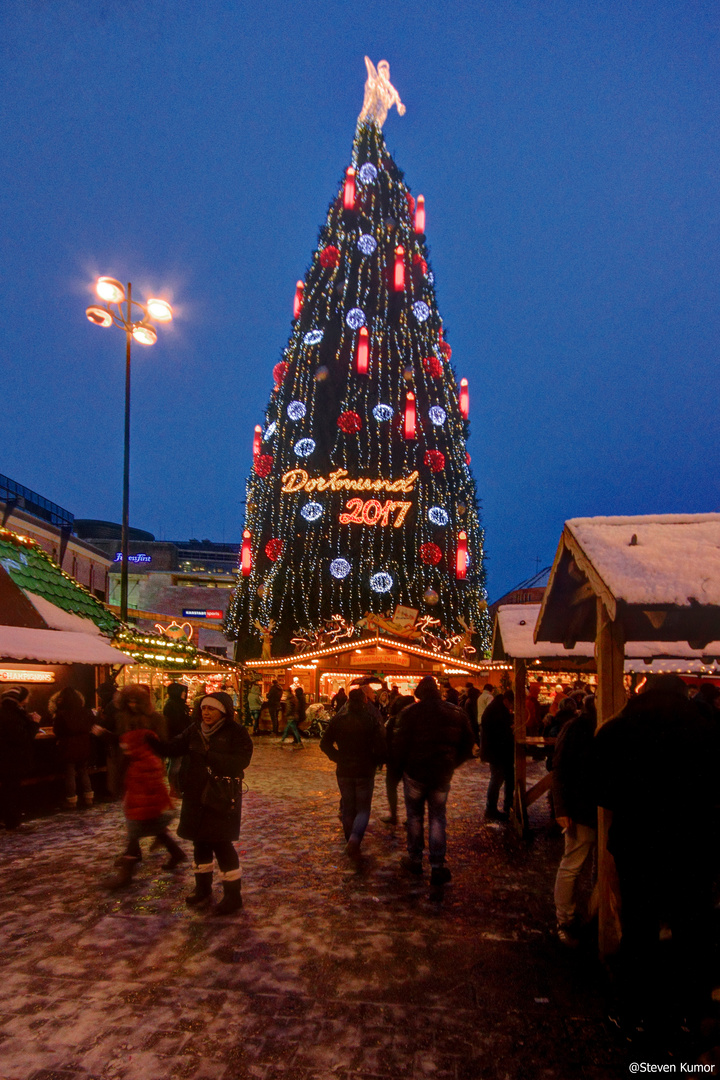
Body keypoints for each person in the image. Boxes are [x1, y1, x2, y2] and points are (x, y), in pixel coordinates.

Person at [595, 674, 720, 1038]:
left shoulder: (616, 731)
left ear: (642, 693)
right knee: (692, 930)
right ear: (687, 695)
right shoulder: (709, 732)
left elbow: (603, 792)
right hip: (694, 845)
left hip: (639, 843)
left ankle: (636, 1011)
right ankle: (689, 1013)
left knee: (639, 928)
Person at [155, 692, 253, 915]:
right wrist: (153, 741)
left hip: (220, 796)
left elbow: (241, 761)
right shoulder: (194, 730)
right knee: (199, 842)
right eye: (204, 708)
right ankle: (203, 889)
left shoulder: (236, 732)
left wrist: (209, 755)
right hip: (196, 794)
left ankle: (232, 896)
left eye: (211, 709)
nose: (206, 713)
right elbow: (173, 748)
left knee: (221, 844)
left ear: (224, 711)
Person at [391, 676, 474, 895]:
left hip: (415, 773)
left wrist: (400, 770)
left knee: (415, 817)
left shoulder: (410, 713)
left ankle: (415, 859)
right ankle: (437, 865)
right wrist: (451, 764)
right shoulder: (456, 712)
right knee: (438, 817)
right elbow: (468, 745)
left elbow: (399, 746)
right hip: (440, 774)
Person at [99, 716, 187, 890]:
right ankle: (176, 853)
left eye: (127, 746)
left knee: (134, 835)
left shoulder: (142, 763)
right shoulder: (143, 758)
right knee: (157, 831)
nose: (124, 748)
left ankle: (126, 874)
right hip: (146, 807)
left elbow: (149, 789)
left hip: (144, 808)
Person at [551, 694, 598, 946]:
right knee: (574, 864)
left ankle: (590, 911)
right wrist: (561, 808)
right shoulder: (580, 728)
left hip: (589, 806)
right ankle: (566, 919)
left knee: (585, 864)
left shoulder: (579, 727)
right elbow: (560, 768)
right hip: (583, 807)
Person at [320, 687, 386, 858]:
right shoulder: (372, 720)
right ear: (365, 701)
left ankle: (350, 837)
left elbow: (324, 743)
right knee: (363, 808)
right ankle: (355, 839)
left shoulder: (338, 720)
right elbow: (380, 745)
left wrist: (337, 757)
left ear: (348, 701)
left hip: (344, 769)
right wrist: (377, 761)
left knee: (348, 808)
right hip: (365, 769)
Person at [0, 687, 40, 829]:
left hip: (6, 758)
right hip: (13, 759)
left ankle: (7, 819)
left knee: (8, 789)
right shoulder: (12, 715)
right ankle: (12, 822)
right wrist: (34, 723)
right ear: (19, 699)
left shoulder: (8, 713)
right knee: (12, 790)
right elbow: (22, 737)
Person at [50, 687, 96, 809]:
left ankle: (71, 800)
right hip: (84, 745)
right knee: (83, 771)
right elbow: (93, 724)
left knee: (70, 773)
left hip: (68, 746)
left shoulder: (61, 714)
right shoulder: (86, 711)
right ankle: (89, 797)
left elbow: (57, 731)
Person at [480, 690, 514, 820]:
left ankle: (503, 805)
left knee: (500, 778)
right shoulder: (497, 711)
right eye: (512, 704)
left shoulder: (497, 707)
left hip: (497, 751)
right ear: (507, 701)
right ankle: (491, 808)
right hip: (497, 751)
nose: (512, 708)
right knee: (497, 778)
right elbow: (499, 732)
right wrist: (510, 729)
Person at [381, 694, 413, 826]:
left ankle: (394, 814)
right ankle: (410, 816)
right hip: (409, 760)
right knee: (409, 789)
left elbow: (385, 740)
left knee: (391, 787)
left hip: (394, 760)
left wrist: (383, 758)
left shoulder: (392, 721)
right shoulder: (414, 720)